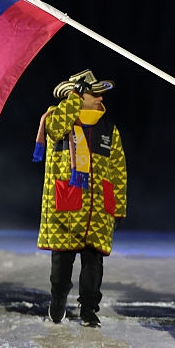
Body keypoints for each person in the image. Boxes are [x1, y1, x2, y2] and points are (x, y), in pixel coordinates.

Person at [34, 69, 127, 327]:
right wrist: (73, 98)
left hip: (97, 209)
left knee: (94, 265)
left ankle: (88, 310)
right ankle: (58, 298)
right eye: (94, 94)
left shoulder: (108, 128)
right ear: (77, 95)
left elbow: (118, 171)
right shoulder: (57, 118)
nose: (100, 99)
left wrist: (118, 206)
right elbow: (55, 129)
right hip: (66, 206)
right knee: (61, 266)